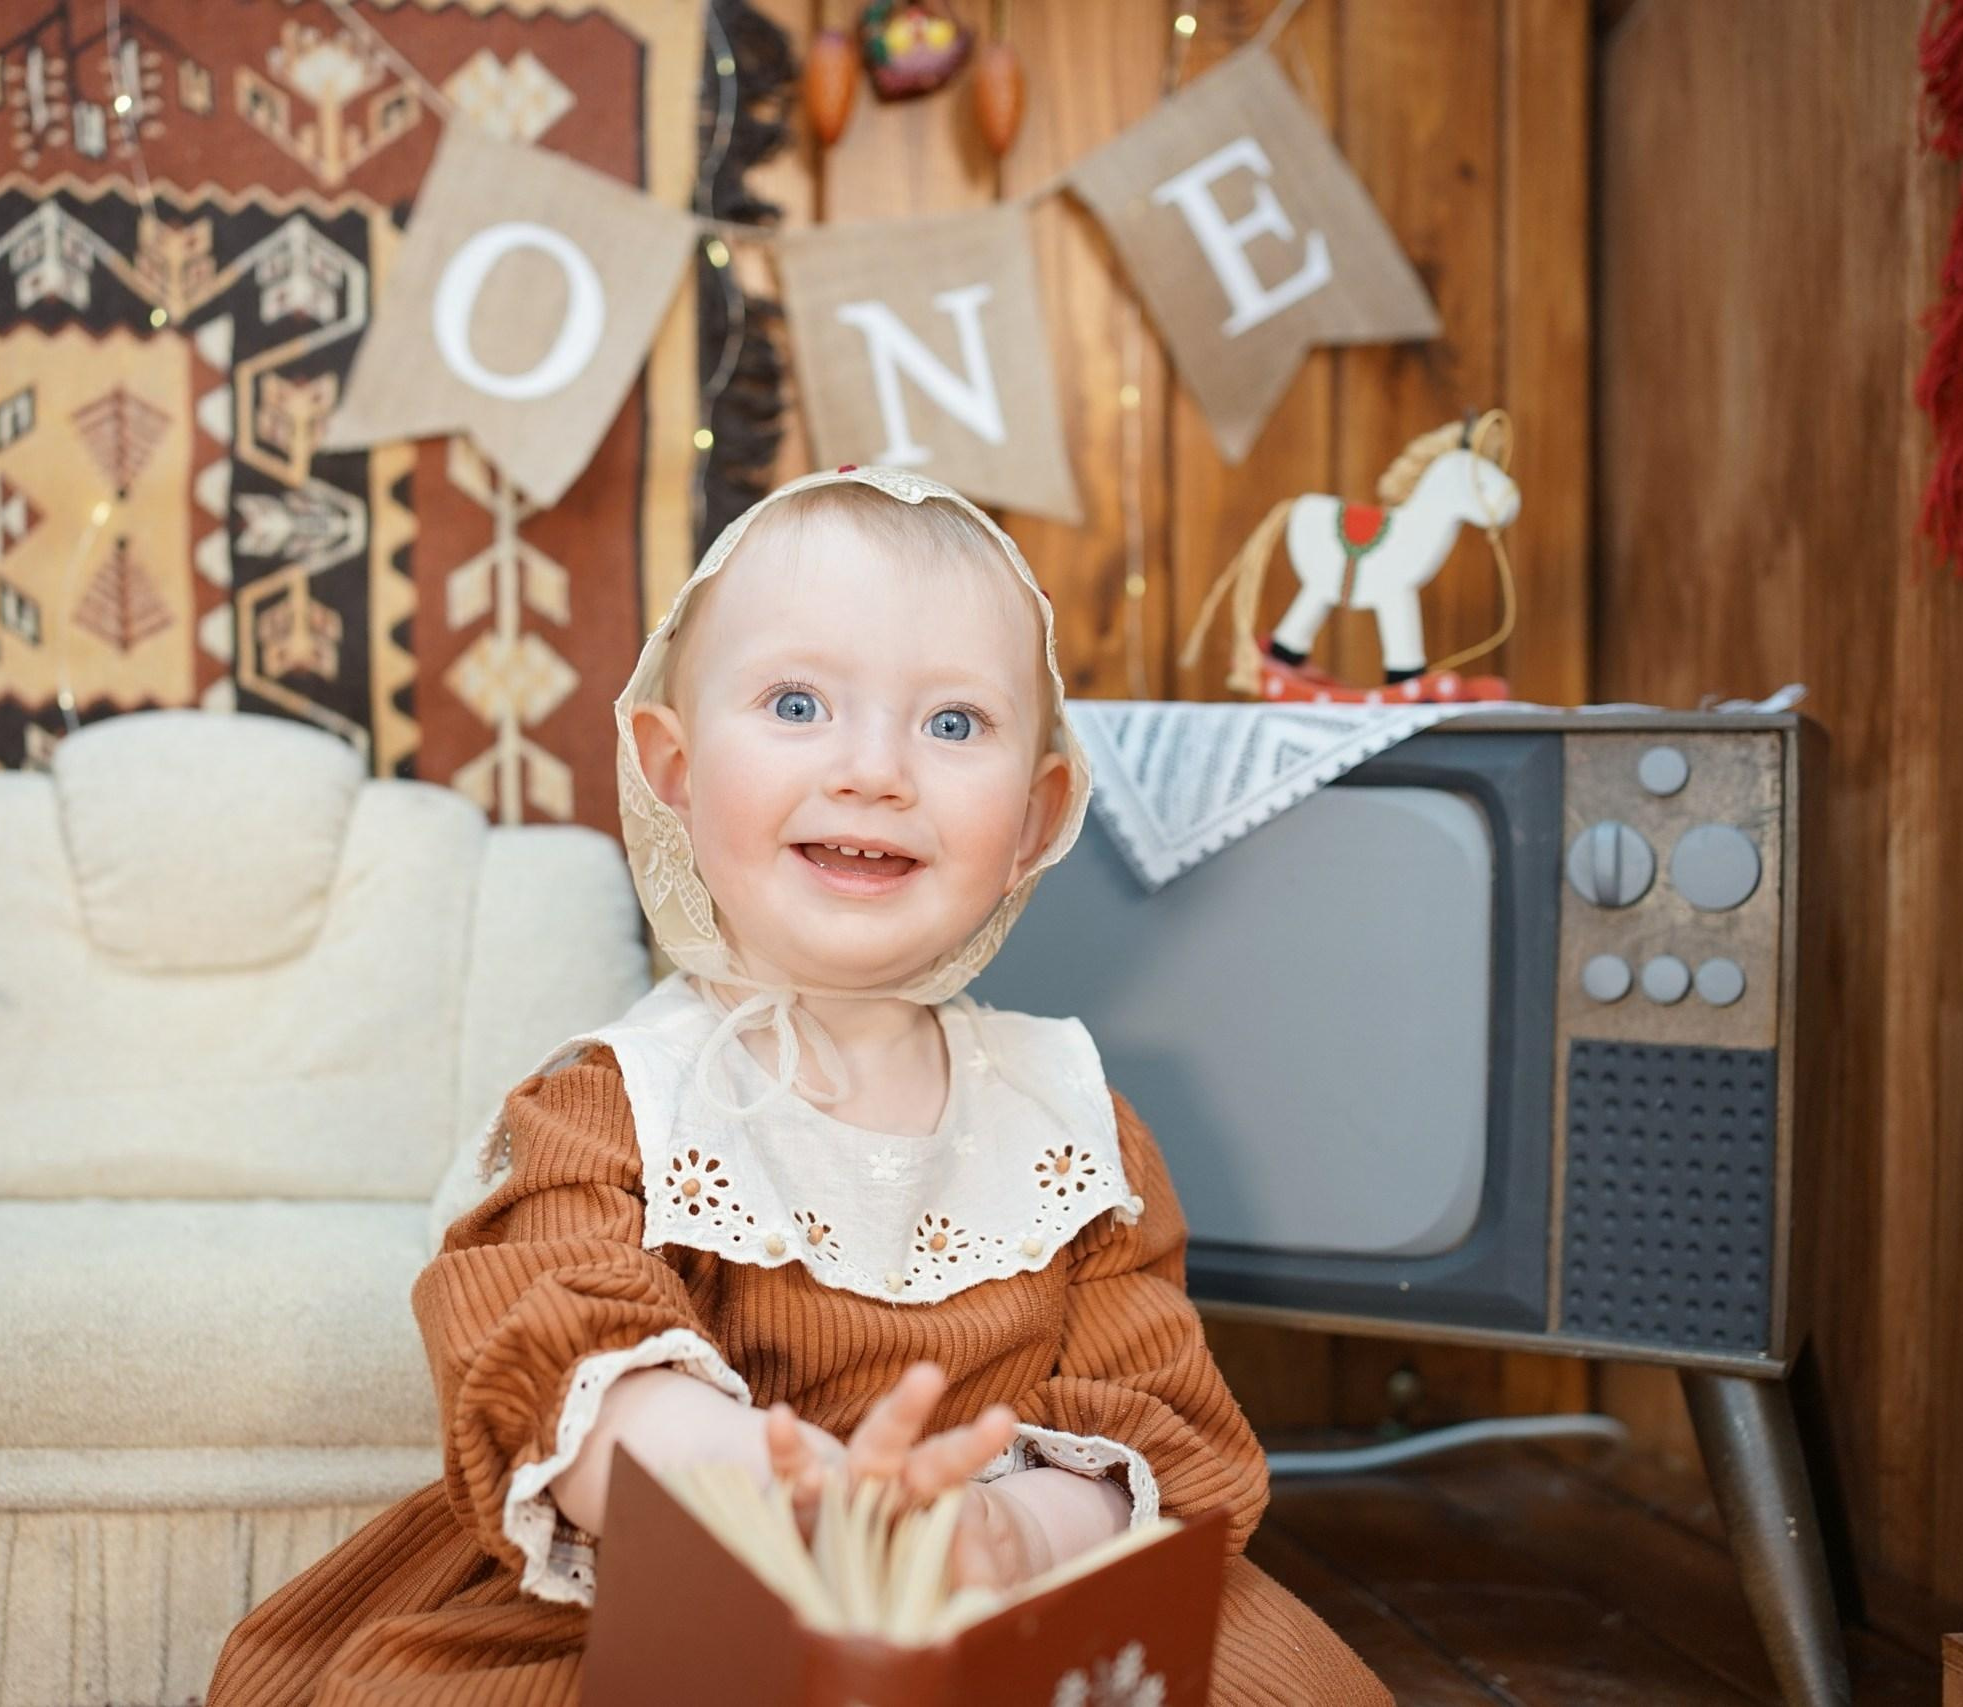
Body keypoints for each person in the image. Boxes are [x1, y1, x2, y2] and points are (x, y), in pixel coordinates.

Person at [207, 465, 1390, 1705]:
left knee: (1264, 1674)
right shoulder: (616, 1103)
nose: (873, 770)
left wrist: (1012, 1537)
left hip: (1001, 1610)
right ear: (672, 764)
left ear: (1037, 817)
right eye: (795, 703)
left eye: (951, 725)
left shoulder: (1071, 1125)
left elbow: (1150, 1408)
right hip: (671, 1583)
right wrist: (789, 1507)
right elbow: (560, 1355)